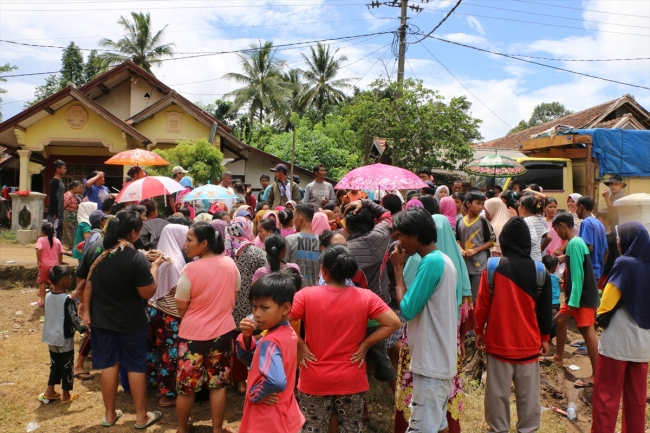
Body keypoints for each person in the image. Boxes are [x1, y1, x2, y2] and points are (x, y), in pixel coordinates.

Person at [290, 244, 400, 432]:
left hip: (314, 378)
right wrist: (366, 344)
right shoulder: (365, 297)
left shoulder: (306, 296)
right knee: (351, 428)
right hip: (352, 378)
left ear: (323, 272)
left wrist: (300, 344)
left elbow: (279, 321)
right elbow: (394, 323)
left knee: (313, 428)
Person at [82, 209, 164, 429]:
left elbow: (86, 282)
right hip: (131, 321)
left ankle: (109, 415)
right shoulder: (136, 258)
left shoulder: (97, 250)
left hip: (102, 320)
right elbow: (148, 292)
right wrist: (155, 267)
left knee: (109, 366)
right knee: (135, 367)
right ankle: (141, 417)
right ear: (135, 233)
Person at [394, 213, 472, 433]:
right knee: (438, 425)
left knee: (422, 427)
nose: (400, 242)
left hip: (431, 362)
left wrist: (398, 269)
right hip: (439, 360)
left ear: (416, 235)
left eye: (402, 236)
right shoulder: (444, 260)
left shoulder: (431, 262)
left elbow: (407, 309)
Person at [474, 217, 552, 433]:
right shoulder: (540, 271)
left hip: (499, 343)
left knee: (497, 395)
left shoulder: (493, 267)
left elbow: (481, 306)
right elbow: (545, 310)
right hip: (529, 345)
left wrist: (479, 331)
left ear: (504, 241)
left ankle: (498, 429)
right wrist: (545, 338)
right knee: (529, 397)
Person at [174, 222, 239, 433]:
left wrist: (193, 319)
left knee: (186, 386)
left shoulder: (190, 269)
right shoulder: (230, 263)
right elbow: (234, 294)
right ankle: (217, 429)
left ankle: (182, 428)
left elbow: (181, 304)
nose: (185, 244)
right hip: (223, 333)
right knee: (218, 384)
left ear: (203, 244)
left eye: (189, 239)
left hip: (192, 335)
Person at [591, 222, 650, 433]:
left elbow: (608, 300)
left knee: (606, 395)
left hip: (618, 338)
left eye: (619, 237)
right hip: (644, 342)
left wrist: (600, 319)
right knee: (636, 398)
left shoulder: (625, 263)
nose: (617, 241)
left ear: (627, 240)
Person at [236, 273, 305, 433]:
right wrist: (246, 337)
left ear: (285, 308)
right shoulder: (287, 333)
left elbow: (276, 381)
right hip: (287, 413)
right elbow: (254, 359)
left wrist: (255, 393)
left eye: (264, 307)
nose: (257, 313)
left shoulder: (270, 341)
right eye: (254, 307)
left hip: (267, 420)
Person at [547, 212, 599, 388]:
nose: (557, 234)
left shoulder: (575, 244)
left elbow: (578, 276)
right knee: (559, 320)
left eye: (556, 230)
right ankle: (559, 357)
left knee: (587, 333)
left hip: (581, 298)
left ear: (562, 225)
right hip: (576, 296)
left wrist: (573, 301)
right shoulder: (575, 243)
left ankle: (597, 375)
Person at [147, 223, 188, 408]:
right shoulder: (175, 261)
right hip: (171, 315)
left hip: (155, 310)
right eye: (185, 238)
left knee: (158, 351)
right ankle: (167, 395)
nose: (186, 242)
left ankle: (155, 386)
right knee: (170, 355)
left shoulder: (159, 255)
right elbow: (179, 291)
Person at [225, 217, 268, 395]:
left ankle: (237, 380)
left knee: (234, 343)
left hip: (229, 303)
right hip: (250, 304)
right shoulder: (257, 253)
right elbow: (266, 275)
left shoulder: (226, 253)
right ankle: (249, 378)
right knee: (248, 341)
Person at [39, 265, 87, 404]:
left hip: (50, 337)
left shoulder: (47, 296)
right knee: (67, 365)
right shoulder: (67, 300)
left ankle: (50, 391)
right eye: (70, 279)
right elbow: (74, 319)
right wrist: (86, 331)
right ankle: (66, 395)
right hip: (64, 337)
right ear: (65, 282)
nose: (71, 281)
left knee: (55, 364)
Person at [455, 191, 496, 303]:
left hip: (480, 264)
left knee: (476, 296)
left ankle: (476, 320)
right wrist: (460, 249)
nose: (480, 207)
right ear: (468, 203)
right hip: (464, 263)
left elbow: (492, 241)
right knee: (465, 296)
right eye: (477, 203)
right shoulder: (459, 221)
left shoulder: (484, 222)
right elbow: (457, 238)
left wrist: (475, 250)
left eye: (482, 204)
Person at [286, 204, 321, 287]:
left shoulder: (290, 240)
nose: (293, 220)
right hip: (313, 293)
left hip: (294, 292)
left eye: (294, 217)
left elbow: (284, 268)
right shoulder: (321, 242)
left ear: (300, 218)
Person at [576, 196, 608, 281]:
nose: (575, 211)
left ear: (581, 207)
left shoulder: (586, 223)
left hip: (588, 272)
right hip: (597, 272)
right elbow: (606, 251)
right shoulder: (599, 223)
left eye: (576, 207)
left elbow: (589, 248)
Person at [35, 222, 63, 308]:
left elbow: (39, 249)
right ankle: (54, 301)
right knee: (54, 282)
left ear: (43, 232)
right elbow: (61, 253)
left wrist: (39, 260)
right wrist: (60, 263)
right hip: (54, 265)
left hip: (44, 265)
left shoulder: (41, 240)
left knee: (42, 282)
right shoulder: (57, 240)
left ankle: (43, 301)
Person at [518, 195, 550, 262]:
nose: (518, 208)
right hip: (537, 257)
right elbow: (549, 237)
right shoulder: (539, 219)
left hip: (530, 258)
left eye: (519, 205)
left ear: (524, 208)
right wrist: (540, 249)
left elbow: (533, 240)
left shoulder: (528, 220)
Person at [596, 209, 620, 289]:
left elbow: (616, 257)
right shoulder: (596, 235)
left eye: (598, 219)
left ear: (606, 221)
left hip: (607, 273)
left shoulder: (614, 238)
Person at [542, 255, 561, 341]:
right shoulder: (556, 278)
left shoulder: (542, 277)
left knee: (548, 320)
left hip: (548, 302)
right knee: (554, 321)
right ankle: (550, 337)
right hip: (556, 303)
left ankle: (547, 336)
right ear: (554, 268)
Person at [48, 159, 67, 240]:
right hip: (55, 213)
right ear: (58, 169)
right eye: (64, 168)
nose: (65, 170)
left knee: (59, 233)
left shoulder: (61, 181)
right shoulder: (54, 182)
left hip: (60, 212)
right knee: (53, 232)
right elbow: (52, 197)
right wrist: (54, 212)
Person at [61, 180, 82, 252]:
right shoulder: (68, 195)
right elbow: (63, 205)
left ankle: (71, 246)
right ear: (74, 187)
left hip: (73, 214)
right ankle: (71, 246)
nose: (81, 189)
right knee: (69, 231)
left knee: (72, 230)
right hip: (68, 214)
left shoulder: (75, 195)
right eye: (79, 188)